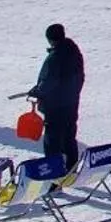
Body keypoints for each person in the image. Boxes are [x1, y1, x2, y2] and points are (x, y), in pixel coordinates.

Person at [29, 23, 85, 171]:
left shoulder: (55, 58)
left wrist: (37, 91)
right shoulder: (74, 52)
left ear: (50, 39)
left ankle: (54, 174)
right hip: (71, 102)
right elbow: (80, 77)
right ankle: (71, 169)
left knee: (52, 142)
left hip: (55, 106)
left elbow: (49, 82)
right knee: (69, 137)